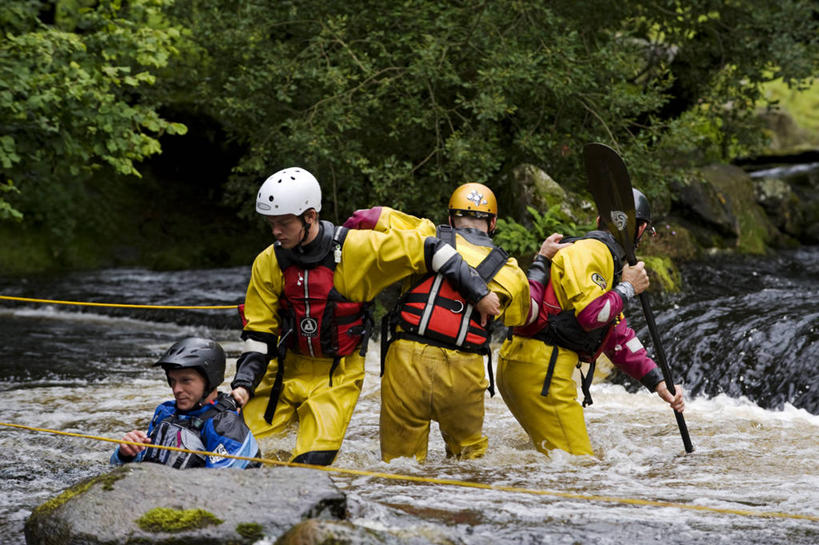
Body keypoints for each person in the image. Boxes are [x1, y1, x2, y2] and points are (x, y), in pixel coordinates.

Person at [230, 168, 500, 466]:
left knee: (309, 463)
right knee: (242, 453)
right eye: (272, 224)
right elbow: (259, 334)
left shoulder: (358, 248)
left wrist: (479, 293)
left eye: (283, 224)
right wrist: (243, 384)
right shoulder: (268, 261)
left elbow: (432, 249)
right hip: (284, 369)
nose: (276, 232)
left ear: (309, 216)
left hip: (336, 374)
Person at [345, 183, 531, 463]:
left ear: (450, 219)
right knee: (468, 462)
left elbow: (364, 218)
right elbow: (520, 318)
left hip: (406, 360)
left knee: (399, 466)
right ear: (492, 223)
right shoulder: (511, 271)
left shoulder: (424, 233)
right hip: (463, 371)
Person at [497, 188, 685, 457]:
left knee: (550, 463)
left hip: (524, 366)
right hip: (541, 371)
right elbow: (591, 315)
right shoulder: (594, 252)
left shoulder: (597, 257)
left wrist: (658, 381)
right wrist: (628, 288)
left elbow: (617, 334)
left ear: (599, 220)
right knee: (578, 469)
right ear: (641, 229)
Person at [111, 337, 261, 469]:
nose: (176, 389)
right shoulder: (165, 412)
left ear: (210, 381)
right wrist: (126, 453)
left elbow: (219, 486)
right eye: (173, 381)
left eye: (186, 381)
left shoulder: (226, 428)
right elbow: (126, 468)